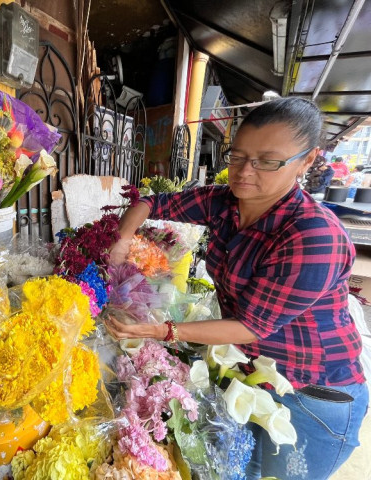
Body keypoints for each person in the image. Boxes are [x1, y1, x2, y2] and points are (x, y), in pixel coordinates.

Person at [106, 97, 368, 480]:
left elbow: (251, 326)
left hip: (312, 394)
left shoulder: (313, 235)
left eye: (267, 160)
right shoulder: (224, 202)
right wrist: (122, 239)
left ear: (308, 160)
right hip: (252, 372)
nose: (245, 171)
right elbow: (151, 202)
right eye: (238, 156)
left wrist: (162, 332)